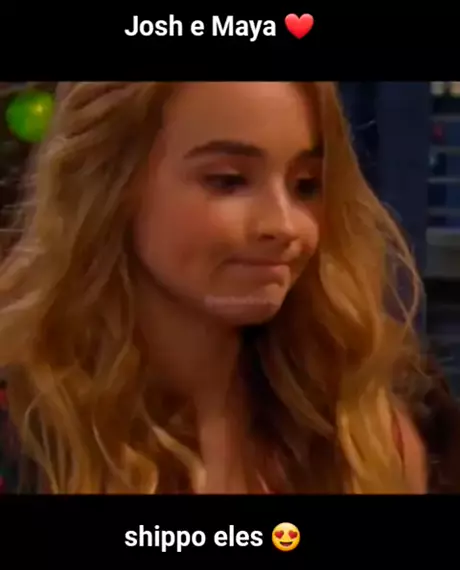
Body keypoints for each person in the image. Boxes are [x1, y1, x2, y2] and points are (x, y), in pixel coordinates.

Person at [0, 81, 437, 494]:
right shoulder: (21, 430)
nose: (284, 225)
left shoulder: (364, 434)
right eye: (229, 181)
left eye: (305, 185)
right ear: (109, 183)